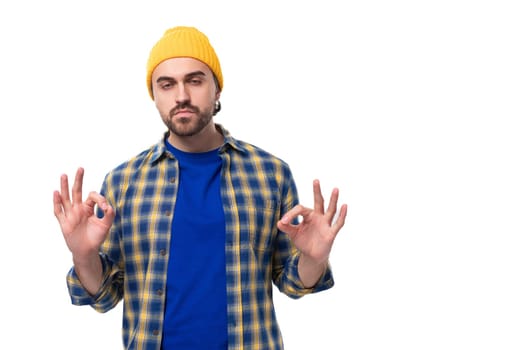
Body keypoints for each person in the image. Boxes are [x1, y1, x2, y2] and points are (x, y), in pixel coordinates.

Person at [53, 25, 347, 350]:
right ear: (154, 95)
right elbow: (105, 296)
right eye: (166, 84)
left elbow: (292, 281)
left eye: (195, 80)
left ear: (217, 89)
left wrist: (314, 258)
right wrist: (83, 255)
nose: (181, 95)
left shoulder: (270, 174)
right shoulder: (122, 182)